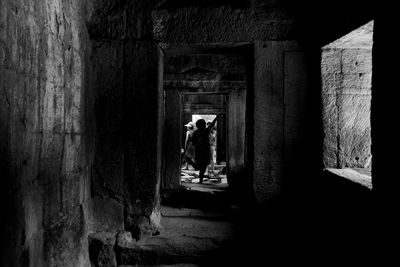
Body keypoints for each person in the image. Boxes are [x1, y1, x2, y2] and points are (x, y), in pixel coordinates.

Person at [189, 114, 221, 183]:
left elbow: (192, 142)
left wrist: (197, 144)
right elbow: (212, 125)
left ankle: (200, 180)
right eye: (204, 124)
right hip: (205, 151)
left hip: (198, 151)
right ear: (203, 125)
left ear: (197, 125)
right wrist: (216, 118)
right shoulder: (206, 131)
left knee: (200, 166)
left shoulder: (196, 133)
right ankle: (200, 180)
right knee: (203, 167)